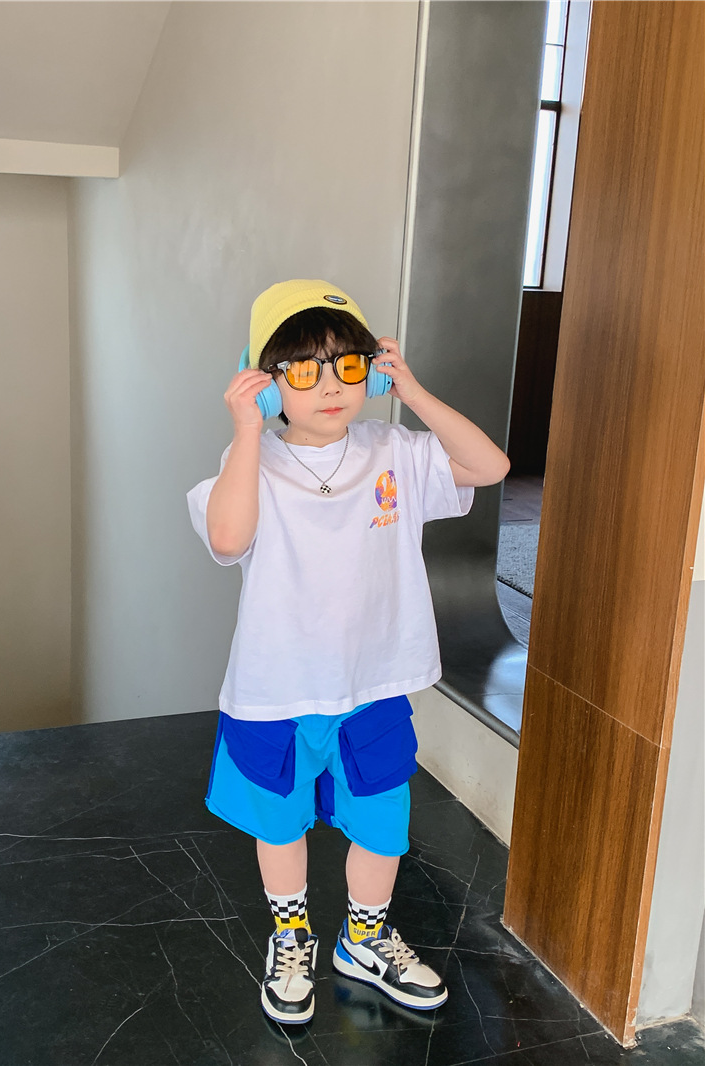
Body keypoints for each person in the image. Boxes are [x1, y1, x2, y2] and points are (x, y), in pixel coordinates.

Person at [186, 279, 510, 1025]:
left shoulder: (395, 449)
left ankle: (363, 941)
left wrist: (413, 392)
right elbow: (228, 539)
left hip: (375, 684)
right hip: (277, 689)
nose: (330, 385)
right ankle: (291, 937)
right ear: (268, 383)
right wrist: (245, 431)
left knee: (382, 822)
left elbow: (489, 467)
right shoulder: (248, 463)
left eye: (348, 365)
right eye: (303, 369)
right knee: (281, 823)